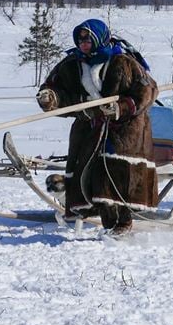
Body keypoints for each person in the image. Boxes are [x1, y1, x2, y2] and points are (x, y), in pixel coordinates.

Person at [36, 18, 159, 233]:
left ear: (99, 38)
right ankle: (108, 221)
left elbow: (148, 90)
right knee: (88, 173)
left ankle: (123, 221)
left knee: (114, 170)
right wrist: (50, 97)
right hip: (90, 125)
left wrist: (122, 107)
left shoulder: (123, 62)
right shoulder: (73, 63)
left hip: (126, 128)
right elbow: (55, 87)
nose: (83, 44)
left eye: (88, 40)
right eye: (80, 40)